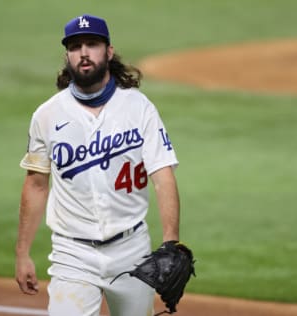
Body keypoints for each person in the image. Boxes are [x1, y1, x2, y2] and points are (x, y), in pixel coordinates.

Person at [15, 14, 180, 316]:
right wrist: (22, 253)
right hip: (72, 252)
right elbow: (36, 185)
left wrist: (171, 242)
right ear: (67, 55)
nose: (84, 53)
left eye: (92, 44)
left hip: (132, 250)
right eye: (76, 46)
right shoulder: (47, 115)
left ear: (109, 51)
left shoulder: (139, 107)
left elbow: (163, 175)